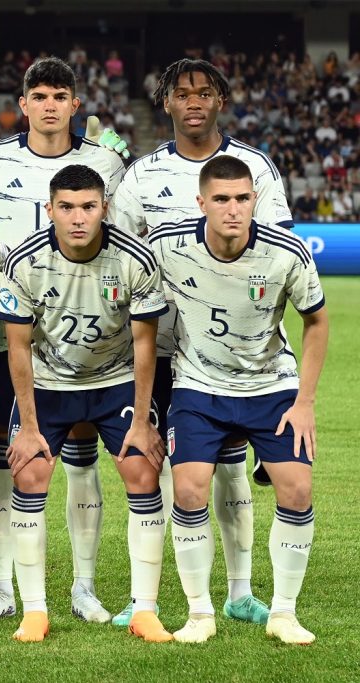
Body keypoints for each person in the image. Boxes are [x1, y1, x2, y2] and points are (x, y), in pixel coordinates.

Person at [108, 57, 293, 628]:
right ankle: (146, 596)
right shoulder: (142, 176)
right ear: (165, 101)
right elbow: (121, 253)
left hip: (232, 354)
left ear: (220, 101)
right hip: (161, 348)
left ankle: (240, 591)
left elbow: (279, 255)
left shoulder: (254, 167)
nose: (194, 101)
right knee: (158, 470)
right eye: (183, 93)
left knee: (230, 470)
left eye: (205, 92)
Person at [0, 56, 127, 624]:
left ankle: (84, 587)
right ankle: (1, 587)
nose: (49, 105)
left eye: (60, 96)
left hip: (88, 332)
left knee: (81, 455)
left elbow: (125, 232)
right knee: (8, 457)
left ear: (75, 104)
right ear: (22, 104)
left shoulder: (106, 162)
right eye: (39, 96)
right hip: (8, 331)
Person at [147, 155, 328, 645]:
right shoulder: (167, 246)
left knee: (297, 491)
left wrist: (305, 402)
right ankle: (199, 614)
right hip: (198, 386)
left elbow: (316, 321)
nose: (234, 209)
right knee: (188, 492)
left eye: (243, 198)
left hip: (271, 387)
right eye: (222, 199)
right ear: (201, 202)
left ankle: (284, 613)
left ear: (255, 200)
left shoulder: (286, 252)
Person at [0, 164, 172, 643]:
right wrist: (29, 426)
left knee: (143, 470)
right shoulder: (24, 262)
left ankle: (145, 610)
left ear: (104, 208)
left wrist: (141, 420)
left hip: (115, 381)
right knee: (29, 472)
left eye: (89, 207)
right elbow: (17, 348)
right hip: (49, 383)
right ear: (49, 209)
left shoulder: (134, 258)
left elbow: (145, 343)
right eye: (67, 207)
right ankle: (35, 611)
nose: (78, 218)